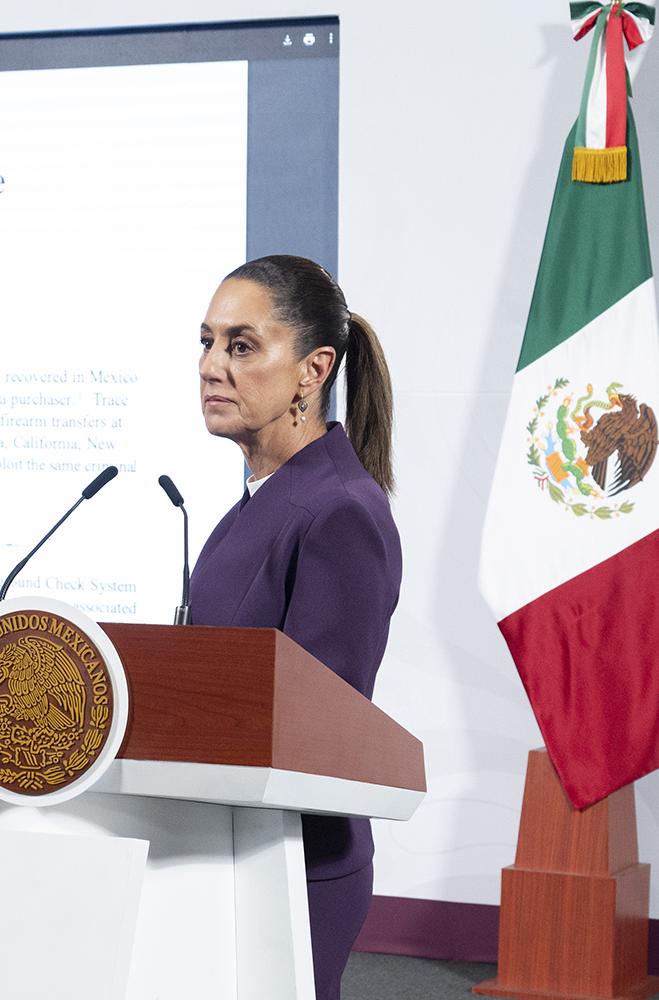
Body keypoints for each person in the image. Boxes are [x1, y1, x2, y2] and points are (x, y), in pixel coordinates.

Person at [188, 254, 401, 1000]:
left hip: (290, 863)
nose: (213, 365)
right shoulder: (259, 501)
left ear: (314, 370)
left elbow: (321, 724)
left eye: (241, 346)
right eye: (207, 342)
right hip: (220, 847)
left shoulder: (338, 510)